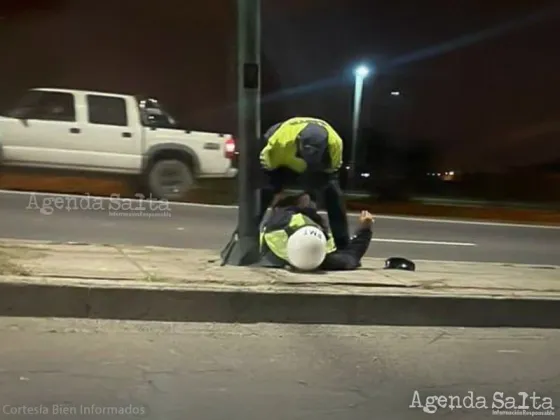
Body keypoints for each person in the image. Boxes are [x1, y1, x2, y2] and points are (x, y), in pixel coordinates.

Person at [258, 117, 350, 250]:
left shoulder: (335, 143)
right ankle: (248, 237)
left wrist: (311, 190)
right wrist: (277, 190)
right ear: (298, 143)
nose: (309, 159)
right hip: (282, 158)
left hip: (318, 166)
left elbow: (332, 170)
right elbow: (267, 167)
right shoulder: (279, 142)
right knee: (263, 191)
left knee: (334, 194)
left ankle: (343, 245)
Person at [259, 193, 374, 271]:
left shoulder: (274, 237)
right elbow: (351, 257)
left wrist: (365, 229)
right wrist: (365, 229)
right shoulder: (323, 258)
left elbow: (351, 258)